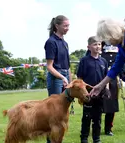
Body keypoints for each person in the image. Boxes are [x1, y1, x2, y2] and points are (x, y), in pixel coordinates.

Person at [85, 42, 125, 136]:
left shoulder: (118, 45)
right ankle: (94, 127)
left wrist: (122, 77)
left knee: (111, 105)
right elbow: (89, 59)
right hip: (98, 78)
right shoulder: (98, 45)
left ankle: (108, 128)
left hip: (112, 79)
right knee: (95, 105)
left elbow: (121, 61)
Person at [44, 15, 72, 143]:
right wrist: (62, 77)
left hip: (65, 77)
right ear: (57, 26)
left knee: (62, 114)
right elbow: (49, 66)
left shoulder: (65, 43)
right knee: (54, 114)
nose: (67, 28)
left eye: (68, 26)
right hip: (56, 78)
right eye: (65, 26)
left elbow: (68, 66)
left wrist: (70, 81)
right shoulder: (51, 42)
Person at [77, 36, 109, 143]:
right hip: (88, 94)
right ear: (89, 47)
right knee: (87, 116)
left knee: (97, 117)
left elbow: (106, 77)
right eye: (95, 44)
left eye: (99, 44)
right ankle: (84, 138)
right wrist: (82, 92)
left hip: (99, 94)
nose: (98, 46)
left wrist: (107, 89)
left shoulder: (103, 61)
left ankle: (96, 138)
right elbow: (80, 78)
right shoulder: (84, 61)